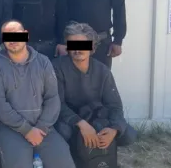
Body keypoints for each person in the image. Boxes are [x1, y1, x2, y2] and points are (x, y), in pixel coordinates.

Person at [0, 20, 75, 168]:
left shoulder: (43, 62)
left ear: (25, 35)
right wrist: (26, 130)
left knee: (64, 162)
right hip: (11, 128)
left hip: (43, 127)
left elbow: (53, 98)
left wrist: (42, 127)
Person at [53, 22, 137, 150]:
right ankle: (73, 154)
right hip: (70, 119)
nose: (77, 49)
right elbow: (57, 103)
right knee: (63, 131)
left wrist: (114, 129)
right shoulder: (57, 67)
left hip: (95, 116)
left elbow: (114, 105)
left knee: (128, 134)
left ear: (92, 46)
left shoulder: (102, 70)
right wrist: (80, 123)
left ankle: (100, 153)